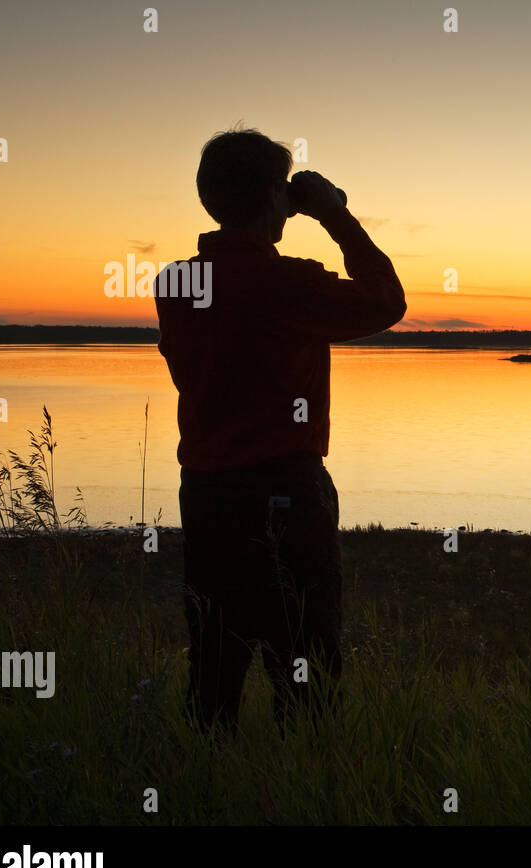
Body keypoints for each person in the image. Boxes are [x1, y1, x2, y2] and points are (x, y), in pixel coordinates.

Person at [155, 128, 407, 735]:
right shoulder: (288, 282)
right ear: (274, 197)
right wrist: (333, 213)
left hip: (208, 496)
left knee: (213, 668)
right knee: (306, 670)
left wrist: (276, 209)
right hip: (285, 497)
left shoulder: (174, 284)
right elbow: (386, 301)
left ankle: (207, 788)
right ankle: (305, 793)